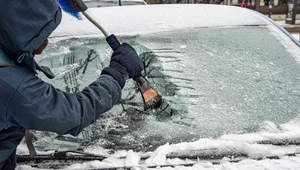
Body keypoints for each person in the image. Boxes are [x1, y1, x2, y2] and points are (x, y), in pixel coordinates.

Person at [0, 0, 143, 169]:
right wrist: (117, 72)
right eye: (42, 33)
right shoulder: (10, 83)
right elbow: (75, 113)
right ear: (23, 31)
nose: (46, 40)